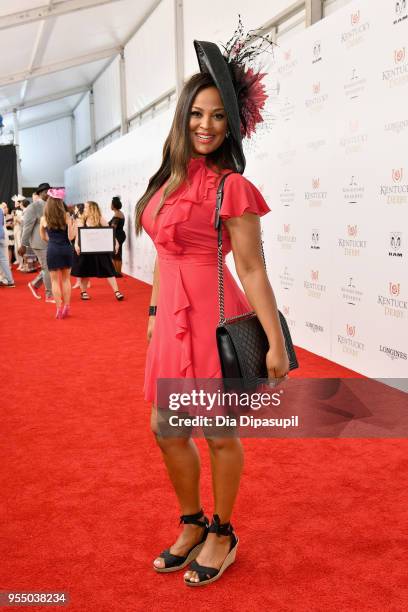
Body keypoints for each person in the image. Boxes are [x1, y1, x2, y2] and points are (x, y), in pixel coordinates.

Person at [135, 30, 289, 586]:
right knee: (165, 427)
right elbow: (162, 257)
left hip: (211, 319)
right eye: (197, 113)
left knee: (219, 433)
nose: (205, 125)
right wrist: (154, 319)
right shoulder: (166, 182)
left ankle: (223, 531)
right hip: (170, 322)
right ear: (183, 118)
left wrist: (273, 343)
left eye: (219, 116)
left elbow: (251, 269)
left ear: (233, 124)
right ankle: (192, 520)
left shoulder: (232, 187)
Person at [71, 200, 124, 301]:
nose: (84, 209)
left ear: (92, 208)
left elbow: (110, 232)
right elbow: (79, 233)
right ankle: (83, 292)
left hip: (99, 249)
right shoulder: (83, 219)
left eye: (86, 207)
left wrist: (116, 242)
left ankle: (117, 291)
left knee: (109, 269)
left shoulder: (99, 219)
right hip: (86, 249)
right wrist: (77, 245)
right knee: (84, 272)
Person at [39, 188, 75, 319]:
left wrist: (52, 240)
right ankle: (67, 306)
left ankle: (59, 308)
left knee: (54, 281)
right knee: (66, 280)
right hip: (66, 249)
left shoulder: (44, 218)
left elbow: (42, 236)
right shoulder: (66, 216)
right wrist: (73, 225)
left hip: (53, 249)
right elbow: (71, 237)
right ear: (61, 203)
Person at [19, 182, 54, 302]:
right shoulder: (33, 207)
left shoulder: (51, 205)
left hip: (50, 242)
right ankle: (49, 295)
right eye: (45, 192)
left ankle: (34, 284)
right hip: (39, 243)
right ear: (39, 193)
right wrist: (23, 244)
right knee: (48, 268)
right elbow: (27, 227)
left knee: (48, 267)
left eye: (49, 191)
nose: (48, 193)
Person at [108, 196, 126, 277]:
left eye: (111, 204)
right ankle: (117, 272)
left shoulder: (117, 214)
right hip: (119, 235)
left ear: (113, 205)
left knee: (117, 254)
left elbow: (113, 227)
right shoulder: (118, 213)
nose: (110, 206)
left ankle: (118, 273)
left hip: (118, 236)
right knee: (116, 254)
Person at [0, 205, 15, 287]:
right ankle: (10, 280)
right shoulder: (0, 210)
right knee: (3, 259)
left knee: (3, 259)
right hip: (2, 235)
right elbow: (2, 224)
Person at [11, 195, 25, 270]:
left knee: (20, 247)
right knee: (16, 247)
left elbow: (21, 222)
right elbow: (14, 223)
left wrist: (17, 219)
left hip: (20, 231)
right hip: (15, 230)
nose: (15, 203)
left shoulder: (21, 211)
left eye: (16, 202)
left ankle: (22, 263)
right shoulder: (14, 211)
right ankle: (19, 261)